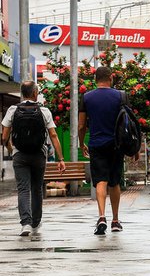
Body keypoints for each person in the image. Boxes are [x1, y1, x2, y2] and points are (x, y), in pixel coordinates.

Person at [1, 81, 66, 236]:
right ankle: (36, 223)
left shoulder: (12, 110)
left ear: (23, 94)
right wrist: (61, 158)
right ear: (35, 93)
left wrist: (11, 149)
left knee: (23, 189)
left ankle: (26, 224)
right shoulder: (44, 111)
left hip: (20, 155)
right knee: (36, 189)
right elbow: (53, 135)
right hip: (38, 155)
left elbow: (4, 136)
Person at [79, 66, 138, 235]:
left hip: (96, 144)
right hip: (116, 145)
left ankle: (102, 216)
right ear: (110, 78)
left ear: (95, 79)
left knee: (100, 181)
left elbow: (82, 125)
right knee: (114, 182)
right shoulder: (121, 96)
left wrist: (82, 143)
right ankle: (115, 220)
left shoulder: (87, 97)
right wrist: (134, 147)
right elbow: (131, 123)